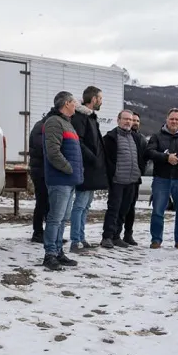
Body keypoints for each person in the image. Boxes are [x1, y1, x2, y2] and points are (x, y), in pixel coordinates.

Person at [41, 91, 82, 270]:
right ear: (66, 103)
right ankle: (49, 254)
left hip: (69, 180)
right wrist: (69, 168)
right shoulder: (54, 123)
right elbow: (53, 152)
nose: (76, 105)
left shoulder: (67, 123)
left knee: (63, 218)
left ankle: (58, 251)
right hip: (60, 179)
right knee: (55, 218)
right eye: (74, 102)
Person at [145, 108, 178, 249]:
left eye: (177, 119)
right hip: (161, 178)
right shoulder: (157, 136)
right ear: (167, 120)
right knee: (158, 211)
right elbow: (149, 152)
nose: (174, 121)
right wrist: (166, 157)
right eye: (171, 119)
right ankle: (156, 240)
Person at [68, 85, 107, 252]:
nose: (101, 102)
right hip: (85, 168)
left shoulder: (91, 117)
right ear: (93, 99)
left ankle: (81, 238)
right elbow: (79, 142)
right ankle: (75, 241)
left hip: (92, 169)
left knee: (86, 206)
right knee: (80, 205)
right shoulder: (80, 118)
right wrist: (94, 158)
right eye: (100, 98)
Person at [100, 110, 142, 248]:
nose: (128, 122)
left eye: (130, 119)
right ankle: (107, 237)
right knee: (113, 209)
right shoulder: (111, 137)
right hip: (117, 180)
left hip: (132, 181)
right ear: (118, 120)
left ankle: (116, 236)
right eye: (125, 119)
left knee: (124, 210)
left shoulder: (135, 138)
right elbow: (105, 160)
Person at [121, 112, 148, 246]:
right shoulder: (123, 136)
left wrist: (140, 171)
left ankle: (128, 234)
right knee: (120, 206)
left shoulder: (142, 138)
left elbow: (145, 157)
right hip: (122, 177)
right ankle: (115, 233)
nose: (135, 123)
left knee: (131, 207)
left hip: (135, 177)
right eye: (133, 120)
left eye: (137, 120)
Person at [28, 111, 52, 243]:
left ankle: (48, 233)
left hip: (43, 169)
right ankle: (37, 233)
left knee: (47, 203)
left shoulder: (44, 125)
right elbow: (43, 148)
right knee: (42, 202)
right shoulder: (41, 127)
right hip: (40, 170)